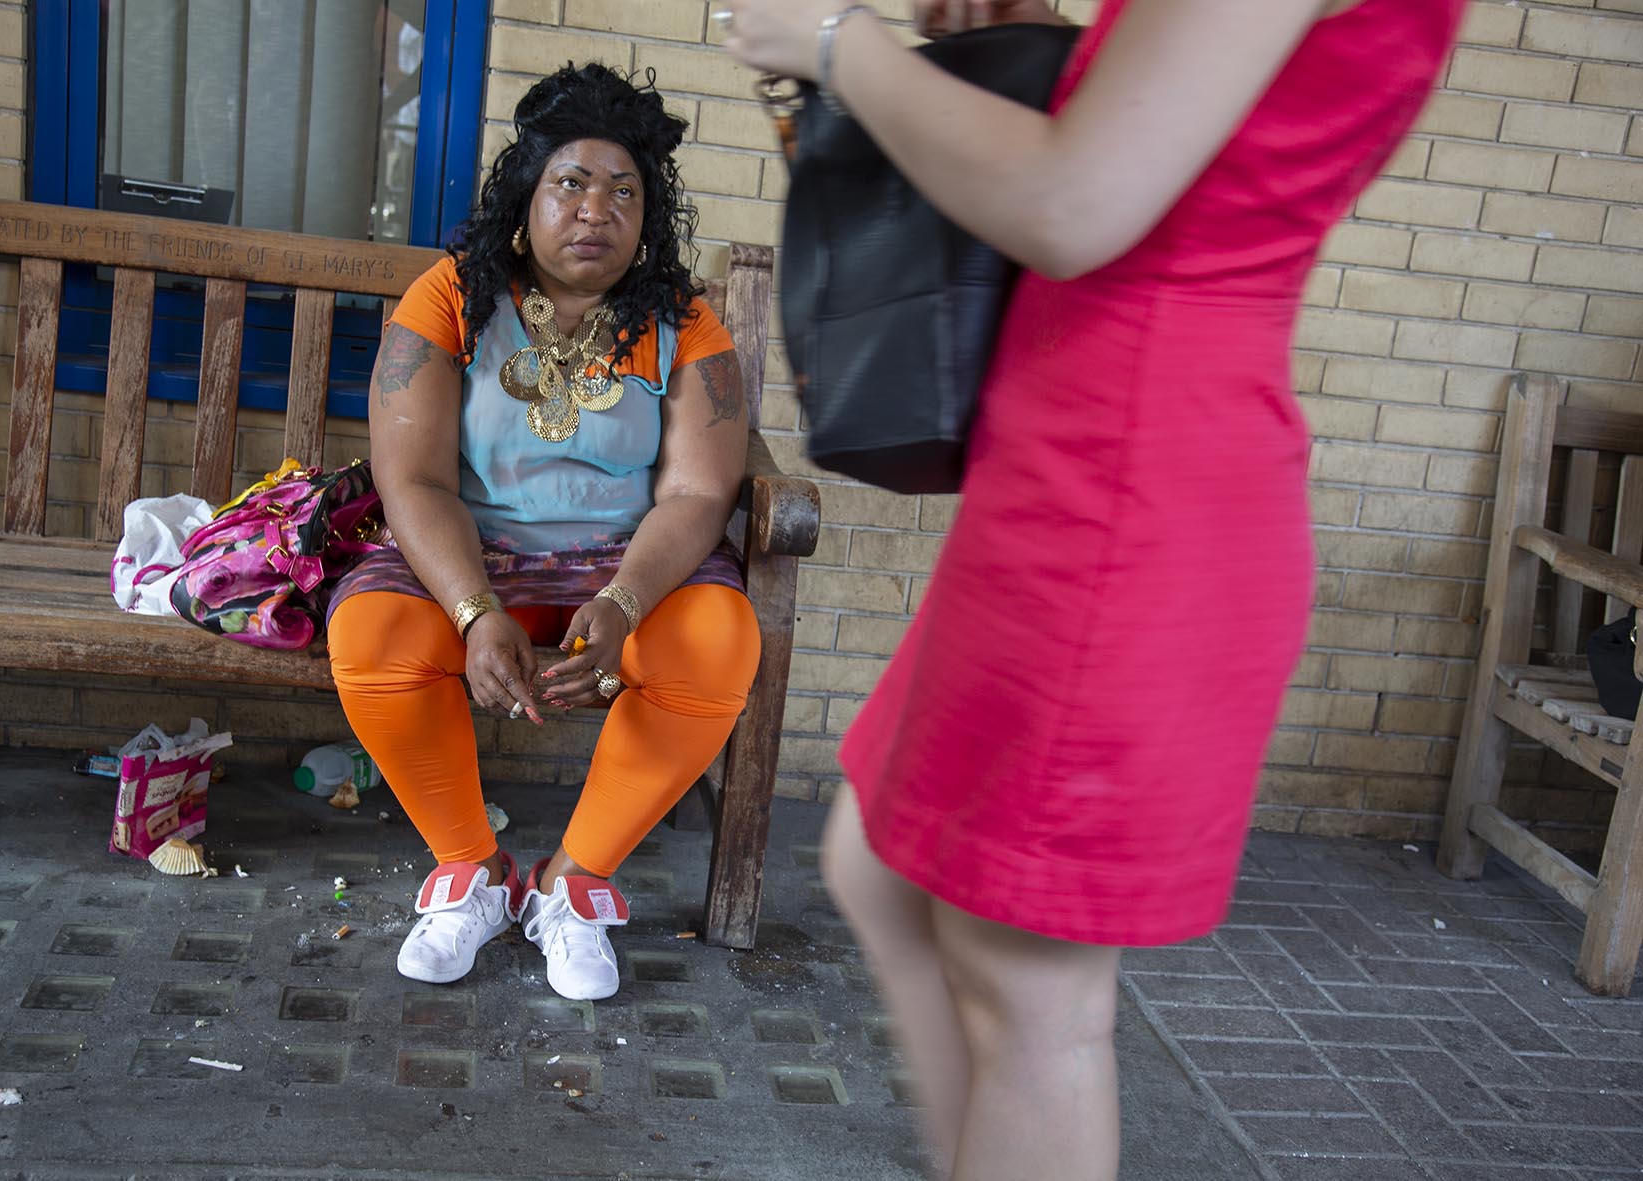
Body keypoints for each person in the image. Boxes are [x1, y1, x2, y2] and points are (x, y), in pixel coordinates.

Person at [724, 1, 1464, 1177]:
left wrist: (832, 44)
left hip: (1124, 489)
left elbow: (1073, 206)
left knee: (1031, 997)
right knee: (875, 862)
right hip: (1084, 463)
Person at [326, 63, 759, 1003]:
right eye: (571, 182)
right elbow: (414, 477)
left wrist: (623, 600)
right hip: (471, 557)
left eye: (624, 191)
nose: (596, 208)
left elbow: (695, 492)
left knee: (719, 641)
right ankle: (473, 874)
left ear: (649, 217)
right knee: (369, 633)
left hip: (623, 562)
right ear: (527, 197)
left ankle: (573, 881)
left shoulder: (684, 323)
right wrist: (476, 610)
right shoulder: (449, 299)